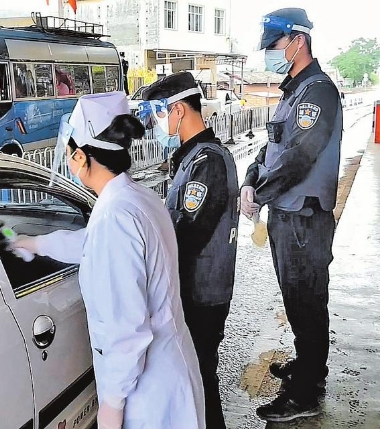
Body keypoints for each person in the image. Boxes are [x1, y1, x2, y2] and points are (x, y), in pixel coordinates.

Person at [11, 91, 205, 428]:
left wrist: (112, 406)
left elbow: (126, 330)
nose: (68, 160)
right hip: (169, 373)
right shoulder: (137, 199)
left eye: (69, 153)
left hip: (148, 393)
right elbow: (91, 244)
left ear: (82, 157)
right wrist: (37, 243)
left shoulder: (115, 217)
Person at [240, 7, 343, 422]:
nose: (271, 53)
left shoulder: (317, 92)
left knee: (306, 302)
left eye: (275, 44)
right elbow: (271, 149)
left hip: (305, 219)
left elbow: (299, 157)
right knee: (295, 299)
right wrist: (250, 180)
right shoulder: (292, 92)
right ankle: (307, 366)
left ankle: (306, 394)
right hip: (287, 217)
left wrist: (259, 195)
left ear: (298, 40)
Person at [141, 71, 240, 429]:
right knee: (195, 379)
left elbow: (188, 233)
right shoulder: (193, 158)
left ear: (179, 109)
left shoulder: (207, 162)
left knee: (198, 381)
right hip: (199, 289)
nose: (155, 123)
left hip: (201, 293)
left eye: (159, 112)